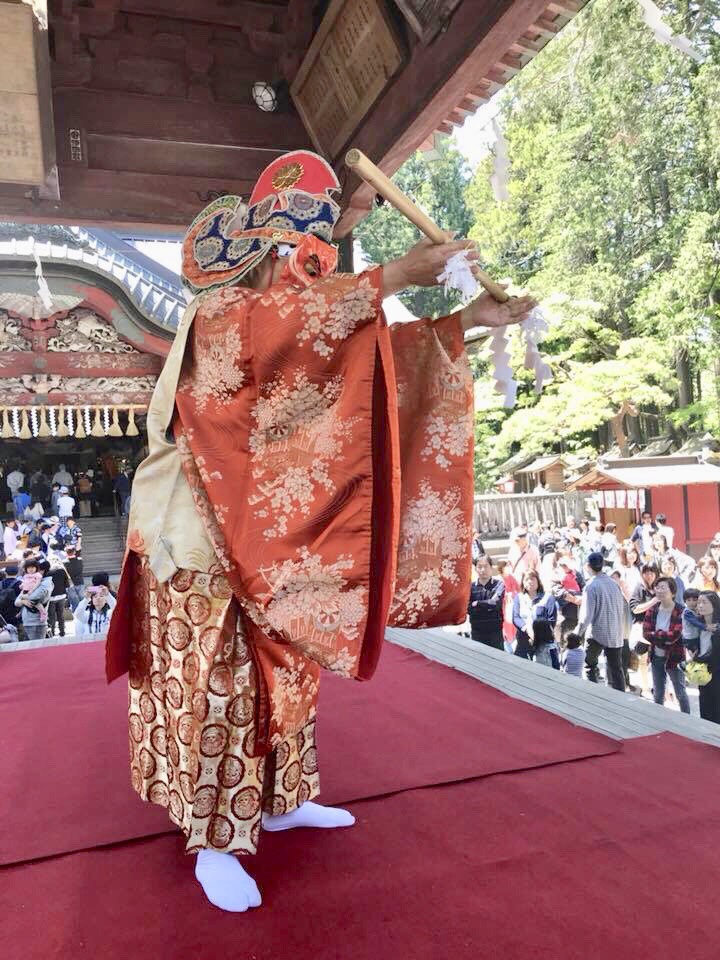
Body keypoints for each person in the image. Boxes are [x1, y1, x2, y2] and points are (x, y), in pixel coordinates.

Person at [103, 149, 536, 914]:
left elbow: (359, 356)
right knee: (222, 694)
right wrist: (396, 275)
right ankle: (212, 838)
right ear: (263, 257)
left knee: (290, 677)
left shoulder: (293, 312)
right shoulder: (221, 317)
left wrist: (467, 320)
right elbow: (291, 329)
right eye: (297, 263)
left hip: (273, 535)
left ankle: (282, 799)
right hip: (197, 546)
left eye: (315, 265)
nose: (306, 281)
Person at [577, 552, 627, 692]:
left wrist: (577, 633)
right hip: (615, 632)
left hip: (597, 632)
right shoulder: (614, 584)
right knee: (616, 670)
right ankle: (621, 701)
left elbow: (586, 616)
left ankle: (593, 696)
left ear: (588, 566)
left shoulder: (591, 586)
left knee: (590, 665)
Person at [642, 576, 690, 713]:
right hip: (656, 656)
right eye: (657, 588)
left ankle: (687, 720)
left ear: (673, 592)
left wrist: (656, 634)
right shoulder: (652, 610)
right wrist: (663, 636)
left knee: (680, 692)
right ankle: (658, 720)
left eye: (663, 587)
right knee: (658, 692)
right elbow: (645, 633)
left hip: (674, 657)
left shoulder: (681, 611)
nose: (659, 590)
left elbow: (674, 635)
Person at [512, 570, 557, 661]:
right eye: (526, 579)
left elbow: (551, 620)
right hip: (523, 641)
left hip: (543, 643)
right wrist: (527, 629)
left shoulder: (548, 598)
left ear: (538, 581)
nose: (529, 582)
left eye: (532, 579)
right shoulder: (519, 597)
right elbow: (516, 617)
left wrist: (536, 632)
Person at [691, 591, 720, 723]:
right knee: (704, 707)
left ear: (714, 605)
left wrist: (697, 660)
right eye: (699, 602)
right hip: (703, 674)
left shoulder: (718, 628)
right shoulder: (698, 626)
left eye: (704, 602)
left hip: (716, 674)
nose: (700, 605)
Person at [467, 555, 505, 649]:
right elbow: (467, 608)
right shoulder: (470, 587)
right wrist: (486, 606)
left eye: (486, 566)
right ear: (475, 569)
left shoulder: (499, 584)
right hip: (477, 632)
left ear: (491, 568)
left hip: (495, 632)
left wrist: (476, 603)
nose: (483, 569)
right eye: (479, 567)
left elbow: (494, 603)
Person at [14, 556, 52, 641]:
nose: (31, 570)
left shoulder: (46, 583)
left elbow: (35, 598)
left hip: (39, 622)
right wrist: (23, 601)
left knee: (39, 646)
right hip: (27, 621)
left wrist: (24, 597)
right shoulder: (27, 579)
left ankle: (43, 614)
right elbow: (16, 602)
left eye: (33, 568)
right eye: (29, 568)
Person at [47, 554, 71, 638]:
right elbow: (67, 584)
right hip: (62, 596)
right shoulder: (62, 570)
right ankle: (62, 632)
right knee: (61, 614)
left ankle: (52, 632)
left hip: (51, 597)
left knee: (51, 616)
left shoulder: (48, 572)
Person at [0, 562, 21, 632]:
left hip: (2, 614)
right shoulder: (20, 584)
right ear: (17, 573)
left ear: (5, 573)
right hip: (15, 613)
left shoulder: (0, 584)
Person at [64, 546, 85, 611]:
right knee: (82, 599)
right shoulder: (80, 560)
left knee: (74, 601)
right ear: (74, 552)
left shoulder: (64, 562)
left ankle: (76, 614)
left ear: (66, 553)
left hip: (70, 583)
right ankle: (84, 611)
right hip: (80, 581)